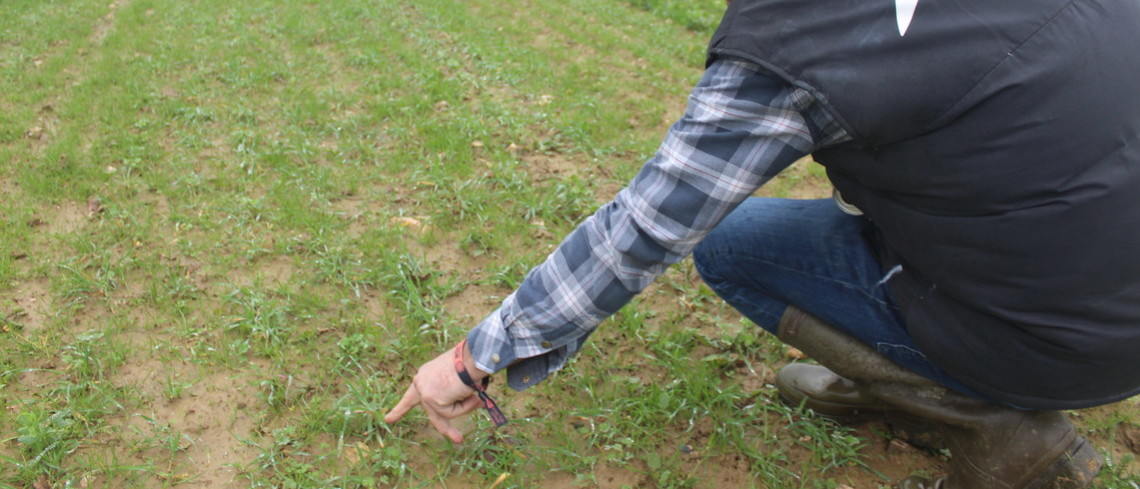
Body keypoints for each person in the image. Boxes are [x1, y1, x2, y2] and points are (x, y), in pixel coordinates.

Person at [385, 0, 1140, 487]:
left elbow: (645, 227)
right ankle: (900, 372)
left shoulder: (805, 34)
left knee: (731, 244)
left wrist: (477, 354)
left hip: (1049, 338)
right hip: (1104, 288)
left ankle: (992, 414)